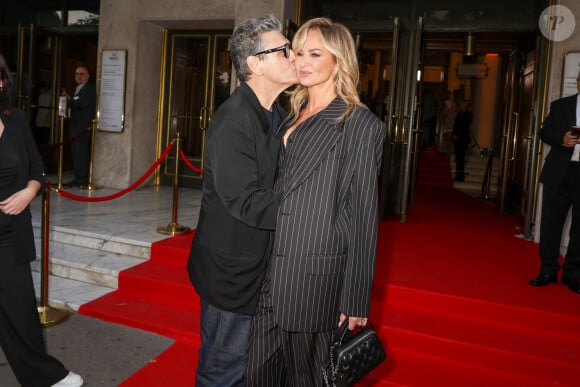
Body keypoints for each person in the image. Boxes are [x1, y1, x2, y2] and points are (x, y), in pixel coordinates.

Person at [245, 17, 386, 386]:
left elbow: (363, 217)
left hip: (314, 281)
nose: (302, 61)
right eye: (298, 51)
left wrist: (355, 300)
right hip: (269, 274)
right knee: (257, 373)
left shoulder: (359, 125)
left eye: (315, 53)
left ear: (338, 61)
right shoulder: (287, 113)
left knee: (306, 379)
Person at [186, 14, 298, 386]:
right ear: (254, 64)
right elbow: (245, 202)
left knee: (252, 368)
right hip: (231, 275)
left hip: (260, 267)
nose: (292, 55)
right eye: (283, 50)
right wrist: (305, 210)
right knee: (224, 371)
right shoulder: (234, 120)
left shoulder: (276, 114)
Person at [0, 53, 84, 387]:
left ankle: (47, 378)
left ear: (4, 82)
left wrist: (28, 192)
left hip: (10, 236)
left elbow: (37, 167)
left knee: (19, 313)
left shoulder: (18, 120)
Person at [529, 70, 580, 294]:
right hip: (559, 172)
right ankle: (548, 270)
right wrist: (562, 139)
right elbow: (544, 132)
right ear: (578, 83)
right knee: (551, 224)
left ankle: (573, 274)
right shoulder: (560, 105)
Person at [66, 65, 96, 187]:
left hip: (82, 127)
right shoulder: (78, 88)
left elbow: (81, 104)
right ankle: (78, 177)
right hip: (75, 125)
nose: (78, 76)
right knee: (76, 153)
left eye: (81, 74)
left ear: (87, 76)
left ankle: (82, 179)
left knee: (81, 153)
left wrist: (69, 100)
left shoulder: (89, 90)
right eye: (77, 74)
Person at [451, 99, 473, 182]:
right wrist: (453, 134)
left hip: (463, 138)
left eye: (461, 104)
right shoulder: (459, 114)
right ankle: (458, 174)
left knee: (461, 157)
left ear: (465, 105)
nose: (460, 105)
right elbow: (455, 125)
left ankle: (461, 175)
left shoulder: (469, 115)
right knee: (457, 157)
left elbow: (464, 126)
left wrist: (458, 135)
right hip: (456, 139)